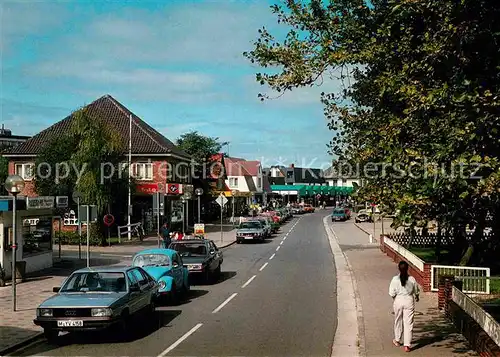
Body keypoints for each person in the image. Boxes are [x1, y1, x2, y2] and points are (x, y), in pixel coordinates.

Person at [389, 261, 420, 352]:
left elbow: (391, 293)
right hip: (409, 300)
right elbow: (416, 290)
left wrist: (395, 298)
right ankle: (407, 345)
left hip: (398, 300)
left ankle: (397, 340)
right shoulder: (412, 279)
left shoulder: (395, 279)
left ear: (399, 268)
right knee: (408, 323)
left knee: (398, 320)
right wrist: (417, 296)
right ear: (407, 269)